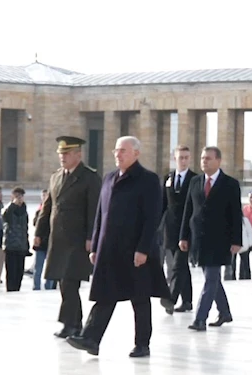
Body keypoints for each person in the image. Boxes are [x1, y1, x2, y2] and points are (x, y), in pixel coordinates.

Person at [67, 136, 169, 358]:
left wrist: (143, 248)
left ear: (136, 153)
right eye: (116, 150)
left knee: (140, 298)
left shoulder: (148, 180)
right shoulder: (109, 178)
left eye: (123, 150)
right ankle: (91, 339)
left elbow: (152, 218)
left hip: (135, 251)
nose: (118, 154)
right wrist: (95, 244)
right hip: (109, 249)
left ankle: (142, 344)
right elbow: (100, 215)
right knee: (105, 294)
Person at [35, 136, 102, 338]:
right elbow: (48, 207)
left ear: (78, 154)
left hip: (77, 239)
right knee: (64, 283)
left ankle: (71, 324)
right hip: (59, 240)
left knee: (70, 282)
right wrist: (39, 232)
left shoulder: (89, 177)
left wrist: (92, 236)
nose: (62, 157)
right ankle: (72, 323)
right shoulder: (56, 177)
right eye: (60, 154)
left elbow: (95, 211)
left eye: (66, 153)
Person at [180, 146, 242, 331]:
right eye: (202, 158)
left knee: (211, 278)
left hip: (219, 240)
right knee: (212, 278)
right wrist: (184, 236)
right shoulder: (195, 181)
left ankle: (200, 318)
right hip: (199, 239)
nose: (204, 161)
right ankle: (224, 312)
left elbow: (235, 214)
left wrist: (236, 240)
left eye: (208, 158)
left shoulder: (230, 183)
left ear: (218, 161)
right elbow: (188, 210)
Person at [161, 145, 196, 313]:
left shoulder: (195, 179)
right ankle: (187, 301)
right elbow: (162, 204)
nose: (183, 160)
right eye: (180, 157)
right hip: (171, 229)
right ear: (174, 158)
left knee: (177, 265)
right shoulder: (168, 178)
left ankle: (171, 298)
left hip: (187, 229)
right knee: (182, 267)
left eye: (186, 157)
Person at [2, 187, 29, 292]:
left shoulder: (24, 210)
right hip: (11, 245)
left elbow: (25, 228)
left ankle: (17, 290)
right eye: (17, 196)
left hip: (21, 246)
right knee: (11, 273)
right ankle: (10, 291)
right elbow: (5, 217)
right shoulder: (8, 209)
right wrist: (13, 204)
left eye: (21, 196)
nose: (19, 199)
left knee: (19, 273)